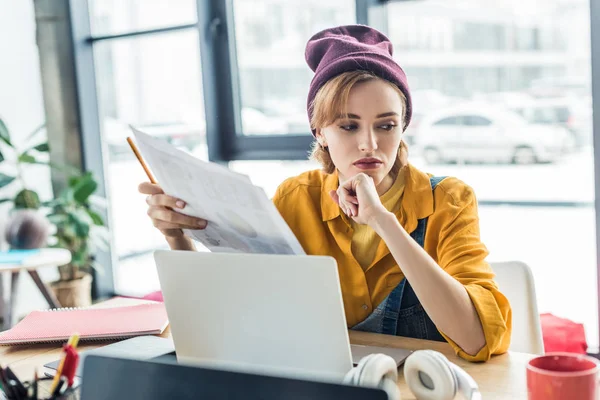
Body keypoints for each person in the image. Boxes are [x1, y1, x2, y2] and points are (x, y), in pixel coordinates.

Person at [138, 25, 511, 362]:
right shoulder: (295, 198)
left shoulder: (448, 199)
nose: (370, 144)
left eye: (387, 125)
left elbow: (478, 339)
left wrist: (383, 221)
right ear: (319, 132)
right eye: (348, 126)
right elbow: (231, 321)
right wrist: (176, 236)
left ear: (403, 126)